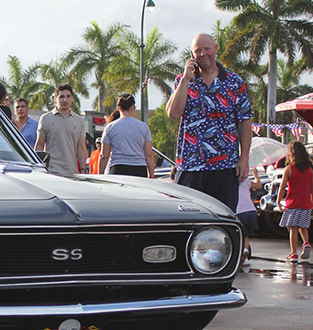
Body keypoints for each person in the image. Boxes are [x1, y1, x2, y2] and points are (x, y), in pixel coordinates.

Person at [165, 33, 253, 210]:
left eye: (207, 49)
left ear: (215, 49)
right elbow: (173, 113)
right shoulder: (182, 81)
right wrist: (185, 80)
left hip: (224, 166)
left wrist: (244, 158)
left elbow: (245, 121)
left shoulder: (234, 82)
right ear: (192, 54)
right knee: (189, 218)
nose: (203, 54)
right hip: (190, 166)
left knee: (222, 217)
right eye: (198, 50)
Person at [34, 84, 87, 176]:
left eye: (68, 96)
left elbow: (81, 147)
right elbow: (39, 145)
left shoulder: (79, 120)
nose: (65, 100)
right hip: (51, 171)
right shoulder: (46, 118)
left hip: (72, 172)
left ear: (72, 98)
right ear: (55, 99)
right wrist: (37, 168)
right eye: (61, 97)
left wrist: (83, 169)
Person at [276, 141, 313, 263]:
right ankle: (306, 242)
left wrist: (278, 201)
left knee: (293, 228)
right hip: (306, 203)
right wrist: (312, 199)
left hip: (293, 203)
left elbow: (282, 186)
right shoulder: (310, 169)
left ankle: (293, 253)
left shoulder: (289, 169)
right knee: (303, 226)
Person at [98, 93, 155, 177]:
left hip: (118, 167)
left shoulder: (110, 127)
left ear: (118, 108)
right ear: (132, 107)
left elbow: (104, 155)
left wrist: (100, 174)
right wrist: (151, 174)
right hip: (139, 168)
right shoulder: (143, 127)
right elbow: (148, 153)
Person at [236, 168, 262, 264]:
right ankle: (245, 255)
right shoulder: (245, 180)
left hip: (239, 212)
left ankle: (239, 255)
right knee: (246, 236)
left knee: (237, 236)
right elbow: (258, 185)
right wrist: (256, 176)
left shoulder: (230, 182)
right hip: (251, 211)